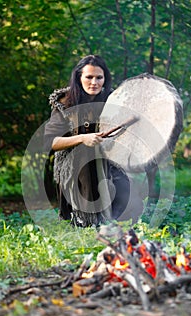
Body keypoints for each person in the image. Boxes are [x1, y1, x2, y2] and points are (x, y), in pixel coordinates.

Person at [44, 55, 131, 227]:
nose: (94, 82)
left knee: (125, 180)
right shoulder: (65, 103)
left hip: (109, 162)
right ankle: (85, 219)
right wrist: (83, 138)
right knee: (86, 154)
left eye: (99, 77)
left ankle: (116, 222)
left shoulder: (111, 101)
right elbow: (50, 142)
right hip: (74, 164)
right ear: (79, 78)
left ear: (105, 78)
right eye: (89, 77)